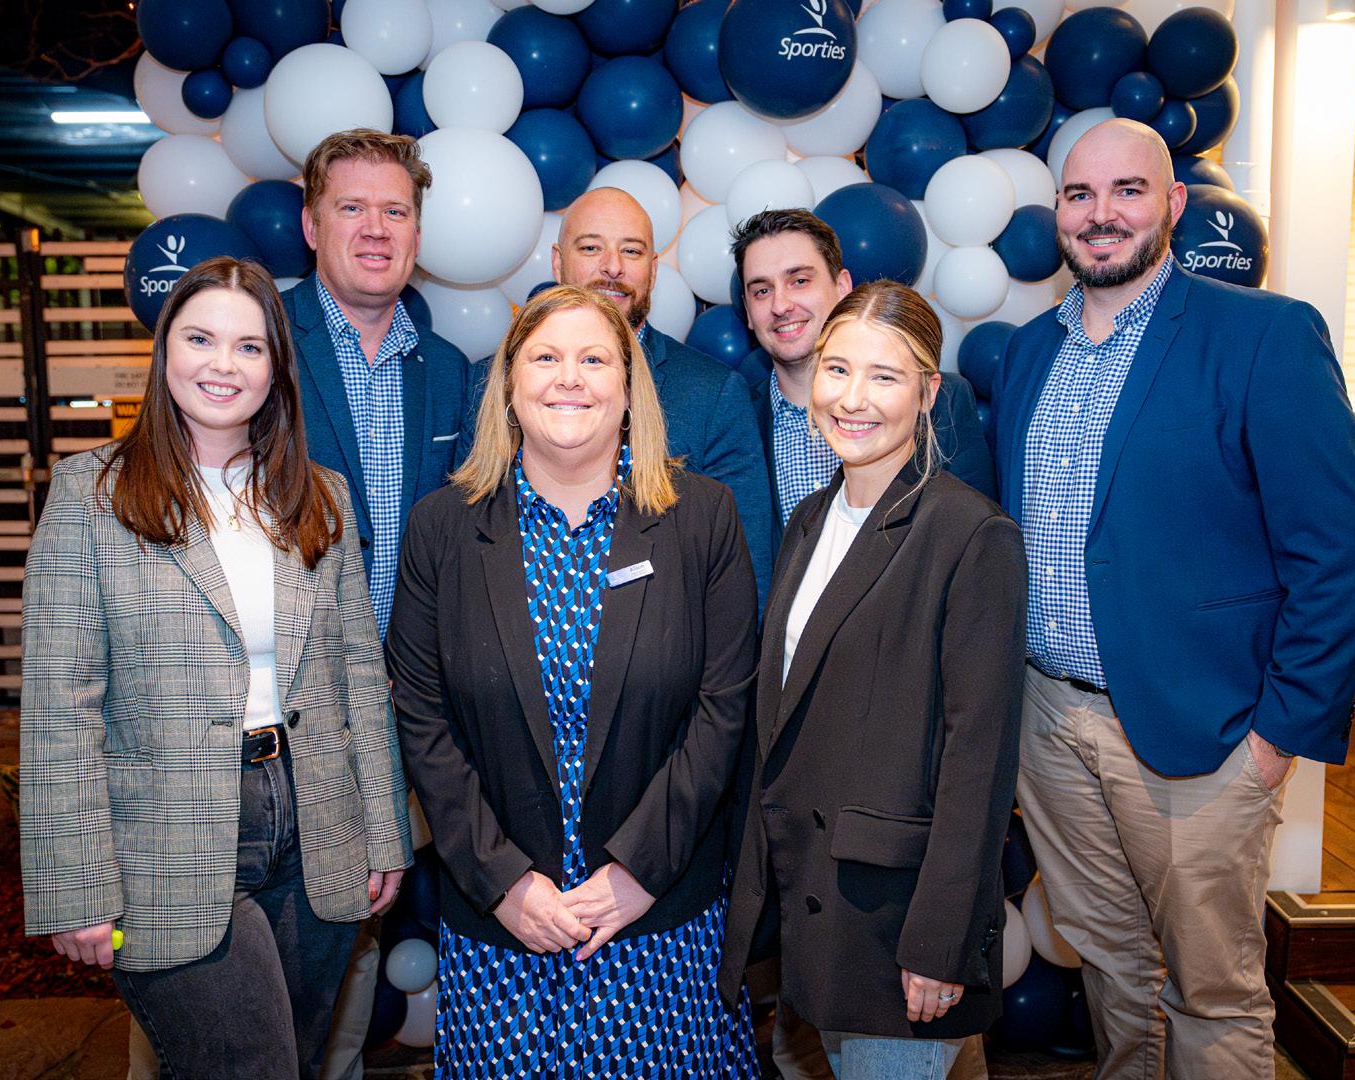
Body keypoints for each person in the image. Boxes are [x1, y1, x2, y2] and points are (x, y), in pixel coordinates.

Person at [989, 119, 1355, 1079]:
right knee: (1111, 967)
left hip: (1200, 736)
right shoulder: (1029, 353)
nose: (1100, 214)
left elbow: (1339, 552)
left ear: (1171, 204)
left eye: (1126, 190)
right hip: (1049, 722)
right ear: (1057, 214)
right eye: (1079, 195)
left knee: (1212, 992)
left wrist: (1277, 735)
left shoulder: (1261, 336)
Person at [21, 257, 412, 1079]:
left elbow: (358, 678)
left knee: (293, 1063)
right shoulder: (90, 495)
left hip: (317, 823)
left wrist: (385, 831)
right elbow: (60, 703)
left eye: (249, 346)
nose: (222, 365)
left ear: (276, 368)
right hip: (166, 834)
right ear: (164, 350)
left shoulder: (322, 497)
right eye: (200, 339)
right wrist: (75, 885)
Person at [386, 285, 761, 1077]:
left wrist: (639, 870)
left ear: (628, 387)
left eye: (593, 359)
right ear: (508, 384)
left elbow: (724, 709)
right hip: (501, 930)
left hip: (658, 921)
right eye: (545, 357)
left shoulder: (702, 519)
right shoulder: (441, 528)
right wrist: (501, 882)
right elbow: (420, 717)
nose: (569, 378)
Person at [722, 280, 1028, 1080]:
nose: (852, 399)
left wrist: (938, 943)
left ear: (927, 393)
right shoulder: (809, 519)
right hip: (810, 907)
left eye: (883, 376)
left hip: (894, 930)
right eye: (836, 369)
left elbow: (978, 762)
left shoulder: (970, 535)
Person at [280, 128, 473, 1077]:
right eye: (351, 207)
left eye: (394, 210)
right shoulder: (260, 340)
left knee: (355, 933)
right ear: (310, 224)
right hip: (277, 716)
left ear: (417, 234)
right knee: (233, 967)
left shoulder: (446, 368)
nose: (374, 228)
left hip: (399, 712)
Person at [552, 186, 775, 599]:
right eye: (590, 248)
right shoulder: (495, 382)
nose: (612, 267)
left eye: (632, 251)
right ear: (557, 261)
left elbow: (745, 580)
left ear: (653, 270)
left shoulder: (714, 394)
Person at [731, 208, 997, 544]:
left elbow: (977, 541)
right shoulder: (734, 421)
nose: (781, 305)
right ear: (748, 310)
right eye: (762, 291)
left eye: (799, 281)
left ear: (842, 286)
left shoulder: (942, 402)